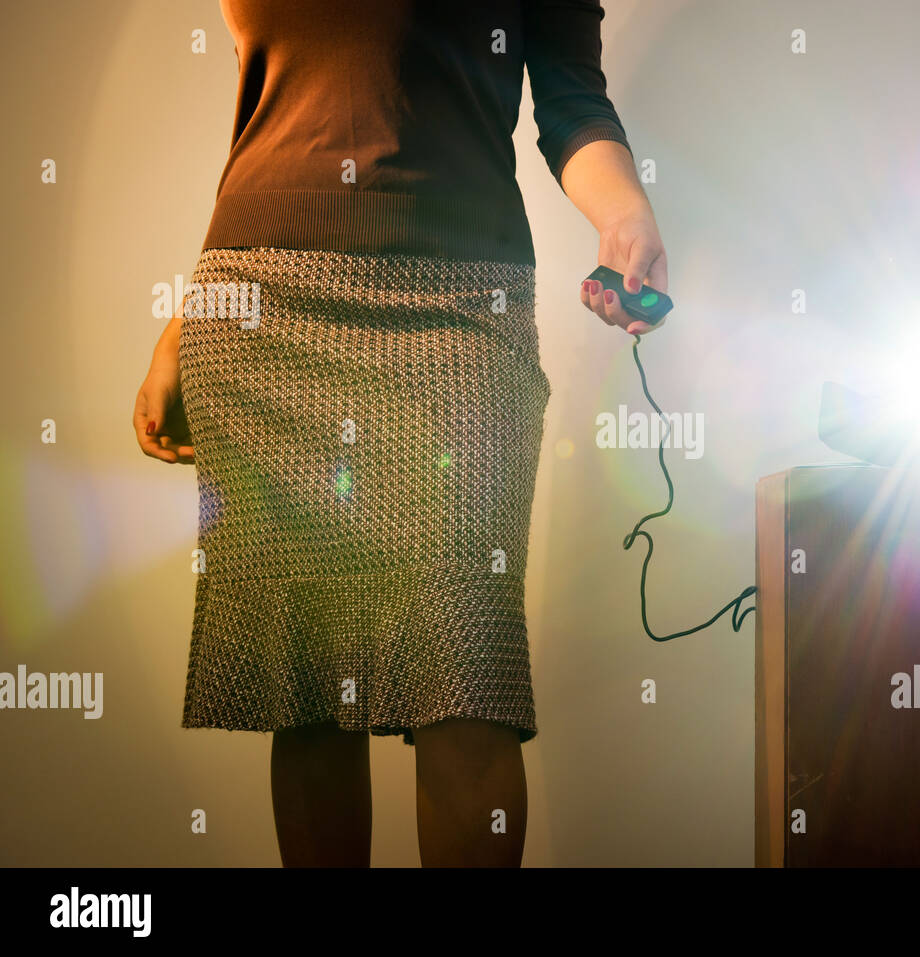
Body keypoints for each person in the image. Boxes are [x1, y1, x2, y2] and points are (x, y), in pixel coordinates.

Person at [131, 0, 666, 867]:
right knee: (305, 687)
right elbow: (272, 115)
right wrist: (185, 320)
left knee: (465, 675)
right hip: (258, 306)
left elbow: (572, 98)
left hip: (458, 301)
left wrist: (626, 214)